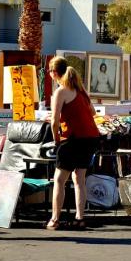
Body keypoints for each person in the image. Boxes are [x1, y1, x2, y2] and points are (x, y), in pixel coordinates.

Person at [47, 56, 99, 231]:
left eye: (49, 71)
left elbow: (54, 122)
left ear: (54, 73)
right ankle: (80, 218)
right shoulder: (80, 89)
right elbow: (92, 112)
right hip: (90, 137)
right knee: (79, 178)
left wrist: (56, 140)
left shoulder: (60, 91)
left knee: (59, 179)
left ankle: (55, 219)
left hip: (73, 139)